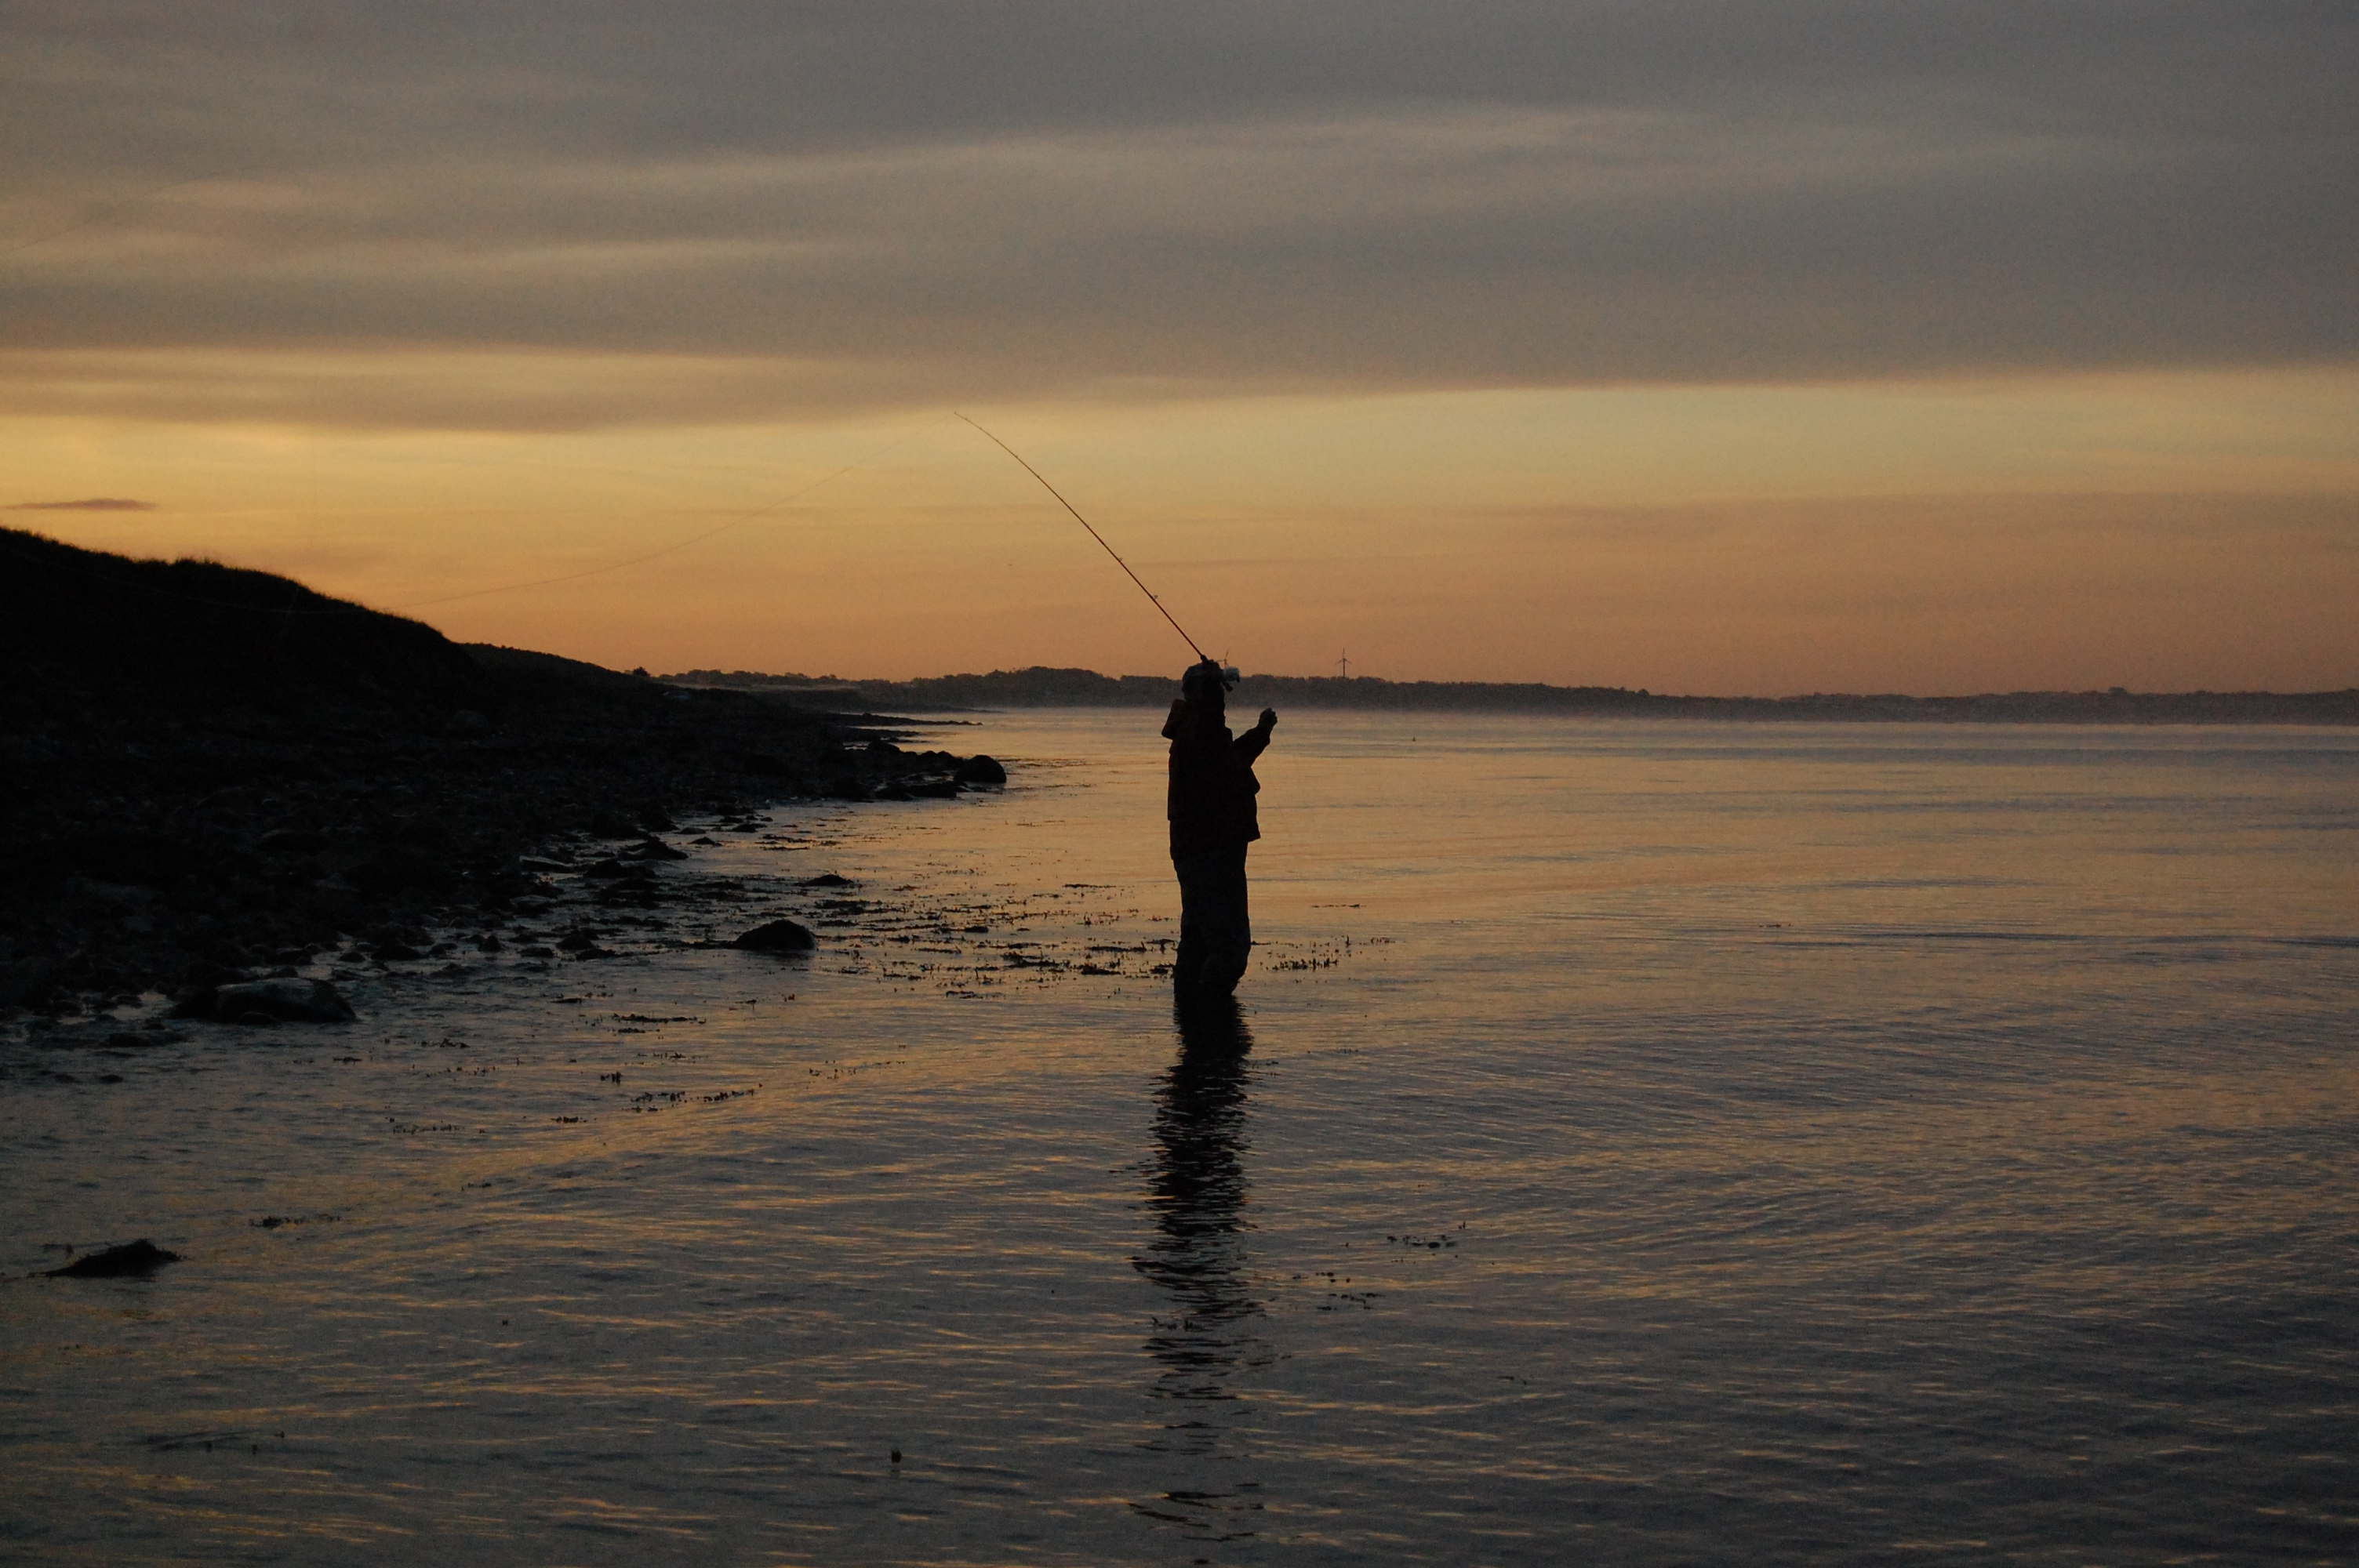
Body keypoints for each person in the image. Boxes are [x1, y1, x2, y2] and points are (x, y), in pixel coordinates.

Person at [1162, 658, 1277, 1005]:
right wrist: (1212, 685)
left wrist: (1261, 733)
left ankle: (1188, 1016)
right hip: (1212, 851)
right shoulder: (1200, 730)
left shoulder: (1198, 733)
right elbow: (1225, 758)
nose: (1222, 699)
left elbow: (1230, 760)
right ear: (1199, 694)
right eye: (1214, 692)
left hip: (1200, 850)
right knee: (1228, 944)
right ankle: (1211, 1017)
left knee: (1197, 937)